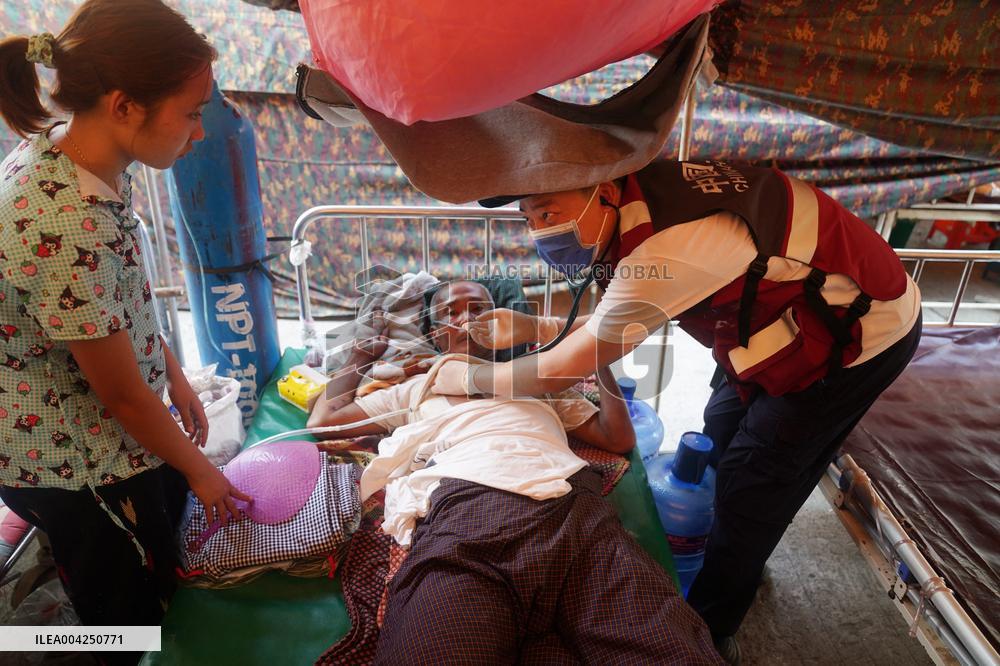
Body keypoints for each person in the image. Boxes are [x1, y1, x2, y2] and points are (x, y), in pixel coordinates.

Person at [431, 160, 922, 664]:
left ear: (602, 190)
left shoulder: (673, 241)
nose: (540, 231)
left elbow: (569, 367)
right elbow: (622, 312)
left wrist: (463, 379)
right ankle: (735, 549)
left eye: (548, 211)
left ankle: (711, 627)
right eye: (529, 218)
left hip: (860, 333)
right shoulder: (634, 207)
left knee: (756, 476)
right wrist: (532, 328)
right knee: (723, 427)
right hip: (773, 320)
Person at [0, 0, 249, 648]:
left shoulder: (83, 160)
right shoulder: (62, 223)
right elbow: (119, 397)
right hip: (71, 464)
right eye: (192, 113)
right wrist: (201, 468)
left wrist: (175, 373)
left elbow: (125, 297)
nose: (200, 132)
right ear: (124, 106)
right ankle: (57, 647)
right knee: (130, 618)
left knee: (162, 541)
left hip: (109, 428)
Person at [308, 280, 723, 664]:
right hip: (470, 519)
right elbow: (324, 421)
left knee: (675, 652)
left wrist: (598, 358)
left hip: (572, 510)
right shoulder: (420, 387)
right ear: (434, 333)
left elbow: (616, 439)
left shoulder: (540, 375)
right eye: (451, 312)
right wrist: (360, 357)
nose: (467, 317)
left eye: (479, 307)